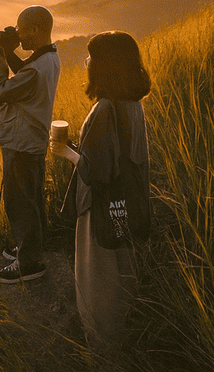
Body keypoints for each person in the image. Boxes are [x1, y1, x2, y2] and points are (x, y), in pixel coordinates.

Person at [50, 30, 151, 358]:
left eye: (92, 55)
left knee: (97, 289)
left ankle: (102, 355)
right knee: (122, 281)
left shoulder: (103, 108)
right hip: (128, 205)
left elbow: (95, 172)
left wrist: (65, 152)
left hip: (100, 210)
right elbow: (124, 158)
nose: (87, 60)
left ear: (105, 64)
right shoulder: (133, 104)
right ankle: (123, 347)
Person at [0, 5, 61, 283]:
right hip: (33, 140)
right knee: (32, 197)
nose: (18, 34)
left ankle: (28, 264)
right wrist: (10, 48)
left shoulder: (35, 71)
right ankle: (30, 247)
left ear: (36, 30)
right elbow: (26, 71)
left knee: (19, 202)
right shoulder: (49, 57)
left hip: (21, 140)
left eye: (22, 29)